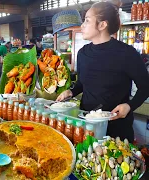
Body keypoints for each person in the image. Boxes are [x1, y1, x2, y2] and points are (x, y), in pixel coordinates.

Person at [56, 1, 149, 142]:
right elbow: (83, 82)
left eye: (87, 21)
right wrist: (71, 91)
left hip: (117, 127)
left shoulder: (127, 54)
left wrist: (129, 106)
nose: (82, 25)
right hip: (87, 124)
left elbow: (145, 87)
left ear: (102, 25)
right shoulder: (83, 53)